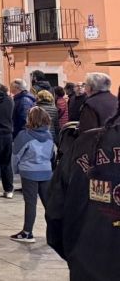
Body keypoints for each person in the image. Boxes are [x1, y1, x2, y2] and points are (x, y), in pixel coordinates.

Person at [46, 96, 120, 280]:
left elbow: (55, 211)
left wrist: (77, 254)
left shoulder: (84, 143)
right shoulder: (87, 143)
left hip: (89, 263)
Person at [8, 106, 55, 244]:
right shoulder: (49, 135)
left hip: (29, 172)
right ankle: (55, 233)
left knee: (30, 203)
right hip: (46, 172)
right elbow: (52, 154)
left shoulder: (24, 135)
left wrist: (16, 170)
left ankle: (27, 233)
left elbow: (15, 156)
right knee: (49, 204)